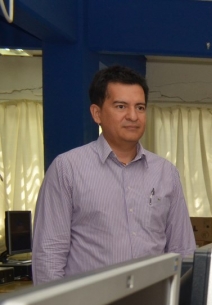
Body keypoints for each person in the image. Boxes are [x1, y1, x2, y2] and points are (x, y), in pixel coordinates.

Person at [32, 65, 195, 283]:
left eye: (140, 107)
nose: (133, 116)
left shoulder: (166, 173)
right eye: (121, 106)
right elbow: (48, 255)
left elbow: (183, 250)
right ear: (97, 113)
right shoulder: (67, 169)